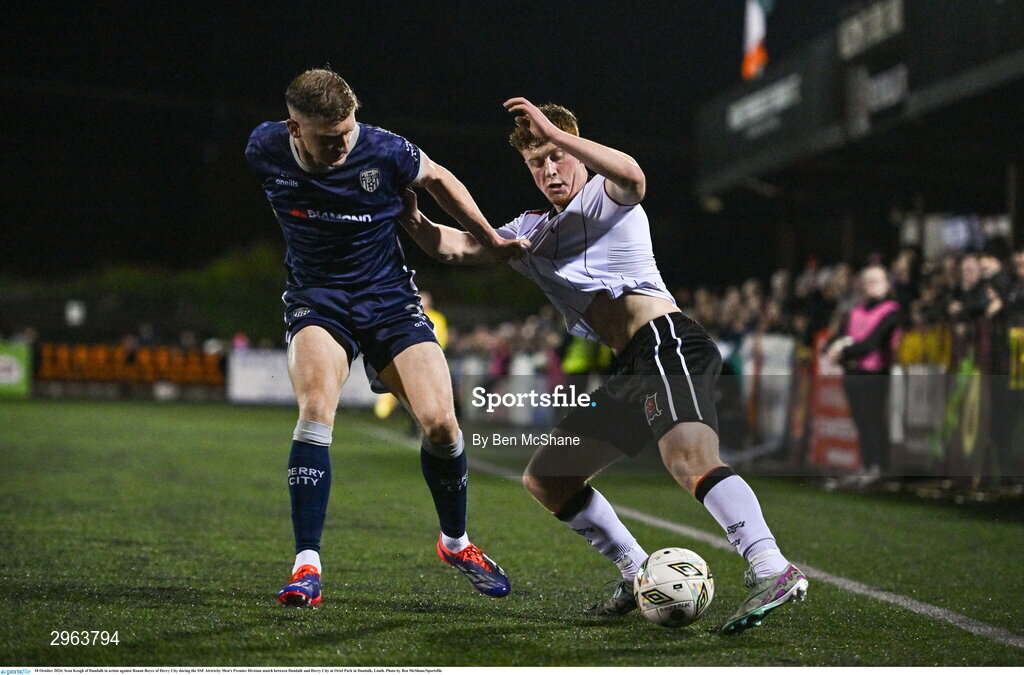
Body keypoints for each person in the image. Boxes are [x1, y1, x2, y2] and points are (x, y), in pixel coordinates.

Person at [398, 97, 807, 635]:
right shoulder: (529, 229)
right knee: (548, 478)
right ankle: (638, 572)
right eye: (536, 163)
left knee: (688, 459)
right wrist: (412, 217)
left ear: (577, 152)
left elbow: (635, 176)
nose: (549, 170)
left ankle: (771, 566)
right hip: (632, 365)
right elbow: (456, 248)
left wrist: (555, 133)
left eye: (555, 155)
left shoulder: (605, 195)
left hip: (668, 342)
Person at [245, 68, 526, 607]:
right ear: (294, 129)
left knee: (442, 425)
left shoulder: (385, 149)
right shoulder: (263, 147)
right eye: (328, 139)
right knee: (316, 412)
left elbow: (440, 179)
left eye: (348, 131)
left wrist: (489, 239)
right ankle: (307, 565)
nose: (343, 146)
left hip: (389, 302)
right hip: (318, 299)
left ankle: (456, 543)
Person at [825, 265, 902, 485]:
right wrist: (834, 347)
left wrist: (843, 350)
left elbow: (872, 343)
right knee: (860, 420)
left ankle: (878, 466)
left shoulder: (891, 310)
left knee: (873, 419)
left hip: (875, 373)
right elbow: (839, 335)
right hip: (853, 372)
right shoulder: (856, 310)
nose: (871, 286)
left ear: (887, 284)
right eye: (867, 281)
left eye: (876, 281)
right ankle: (867, 464)